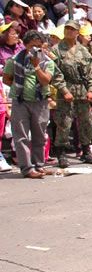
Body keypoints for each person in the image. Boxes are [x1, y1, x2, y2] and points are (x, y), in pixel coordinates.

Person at [2, 30, 55, 178]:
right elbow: (6, 79)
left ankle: (39, 165)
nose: (36, 49)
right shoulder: (14, 60)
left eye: (39, 46)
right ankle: (27, 168)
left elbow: (45, 81)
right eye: (32, 46)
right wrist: (20, 87)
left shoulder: (47, 62)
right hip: (20, 102)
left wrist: (36, 66)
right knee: (21, 137)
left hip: (40, 102)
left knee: (39, 136)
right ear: (25, 45)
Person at [51, 20, 92, 168]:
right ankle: (61, 153)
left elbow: (90, 73)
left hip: (82, 90)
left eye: (72, 29)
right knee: (64, 122)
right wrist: (64, 90)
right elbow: (55, 73)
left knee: (86, 121)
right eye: (67, 28)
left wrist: (91, 90)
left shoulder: (83, 50)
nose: (69, 31)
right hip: (65, 90)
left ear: (78, 32)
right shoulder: (56, 50)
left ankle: (86, 150)